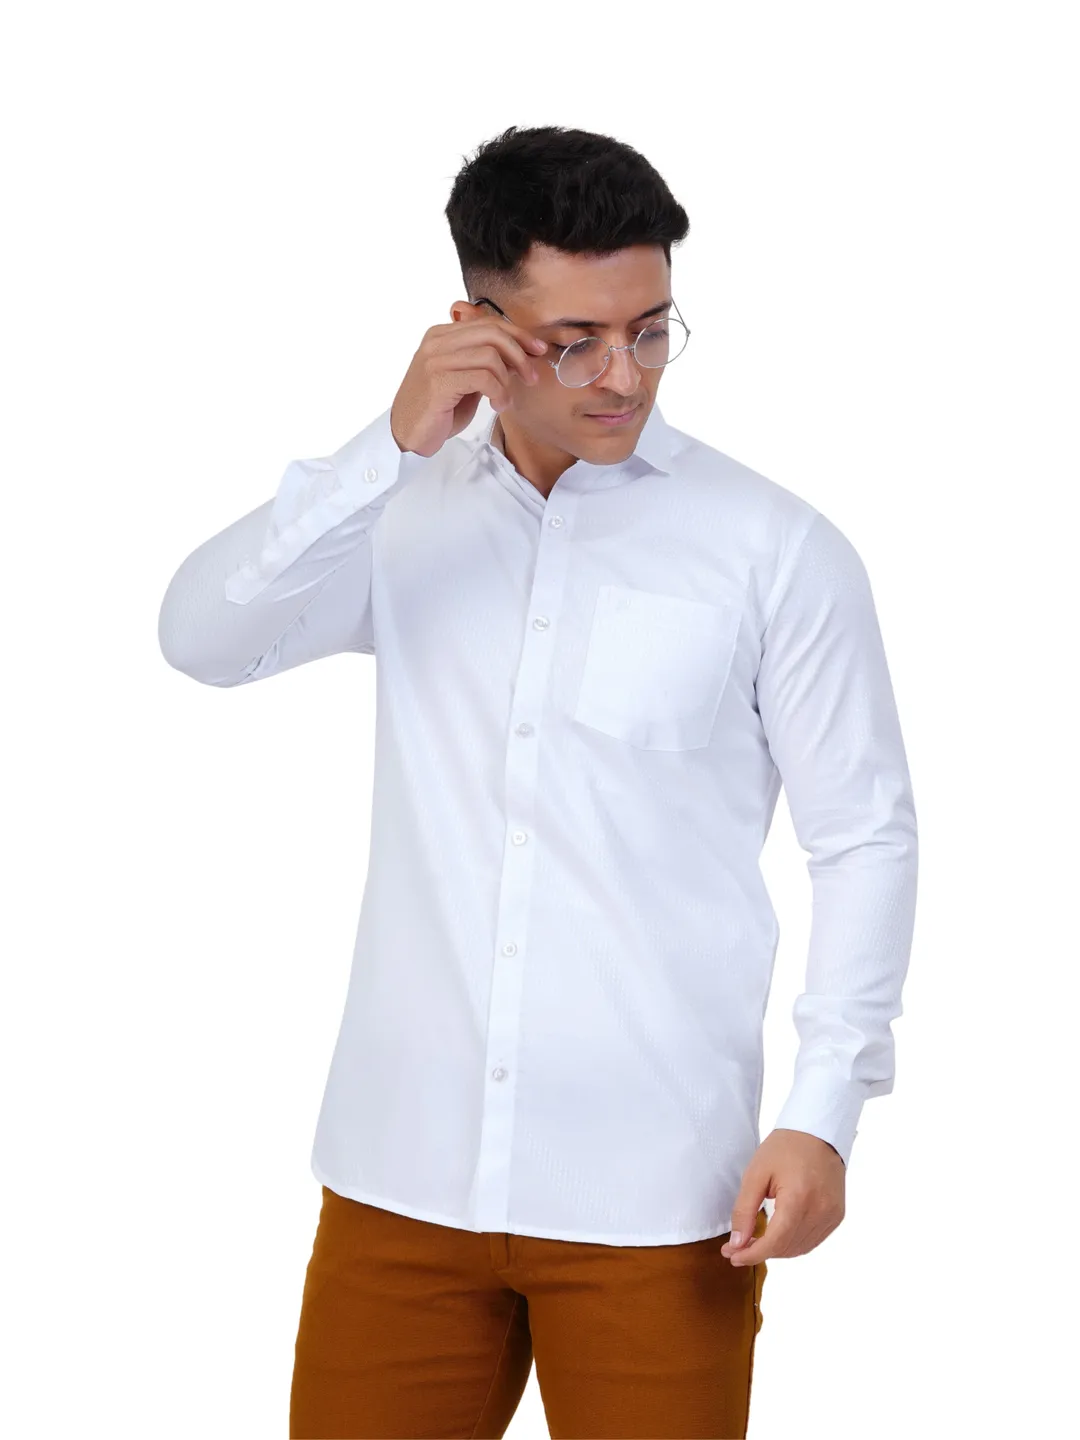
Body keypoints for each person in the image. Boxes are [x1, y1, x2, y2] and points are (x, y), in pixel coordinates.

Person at [157, 123, 918, 1439]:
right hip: (399, 1181)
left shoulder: (775, 551)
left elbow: (864, 837)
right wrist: (384, 445)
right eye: (576, 341)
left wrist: (825, 1111)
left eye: (652, 330)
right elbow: (200, 640)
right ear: (477, 329)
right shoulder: (398, 516)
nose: (624, 376)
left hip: (660, 1197)